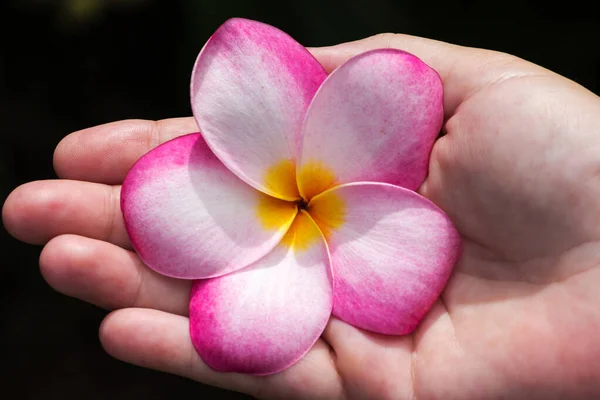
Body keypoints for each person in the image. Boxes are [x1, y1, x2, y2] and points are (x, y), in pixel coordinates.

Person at [3, 32, 600, 400]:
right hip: (288, 209)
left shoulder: (385, 112)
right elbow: (165, 203)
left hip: (326, 211)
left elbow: (399, 95)